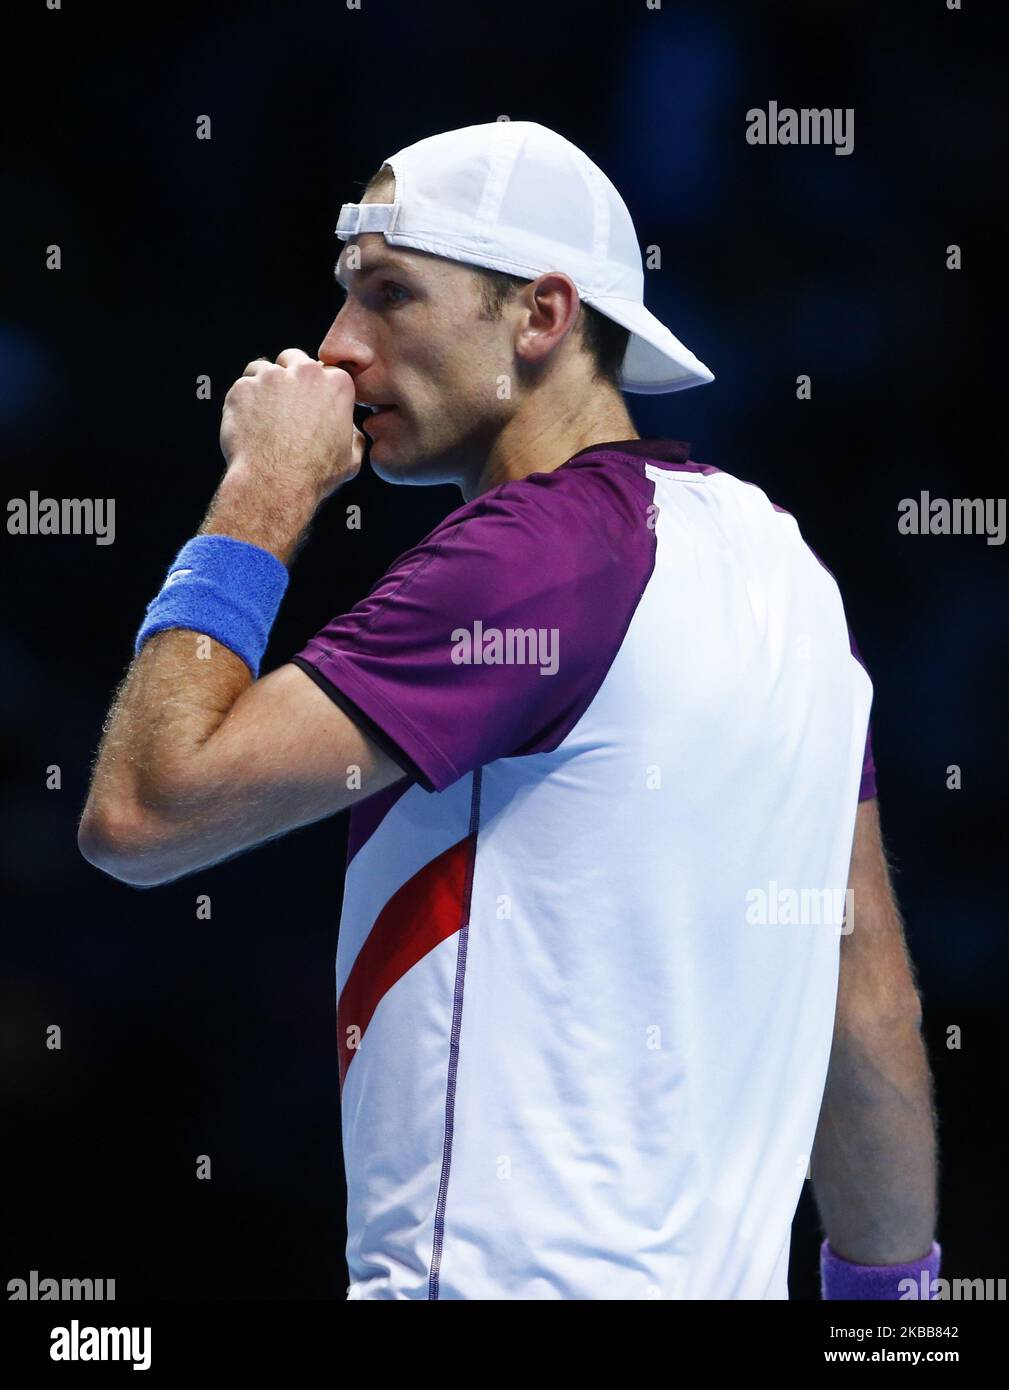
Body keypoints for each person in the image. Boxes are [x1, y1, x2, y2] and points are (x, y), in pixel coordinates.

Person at [78, 120, 939, 1300]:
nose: (337, 352)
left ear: (540, 316)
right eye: (342, 296)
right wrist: (891, 1314)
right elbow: (864, 981)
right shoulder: (783, 570)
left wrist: (263, 489)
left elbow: (145, 810)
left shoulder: (529, 555)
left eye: (389, 295)